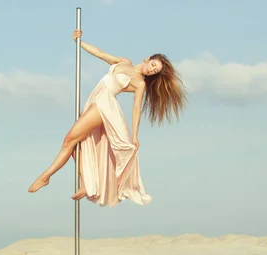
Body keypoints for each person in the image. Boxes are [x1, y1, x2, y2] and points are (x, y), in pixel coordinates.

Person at [28, 29, 188, 207]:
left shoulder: (140, 83)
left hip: (104, 105)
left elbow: (136, 109)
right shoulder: (124, 62)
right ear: (148, 59)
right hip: (96, 100)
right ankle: (85, 184)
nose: (152, 70)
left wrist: (134, 136)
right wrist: (79, 42)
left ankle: (46, 176)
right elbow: (101, 54)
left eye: (155, 71)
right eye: (153, 65)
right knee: (76, 145)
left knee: (69, 139)